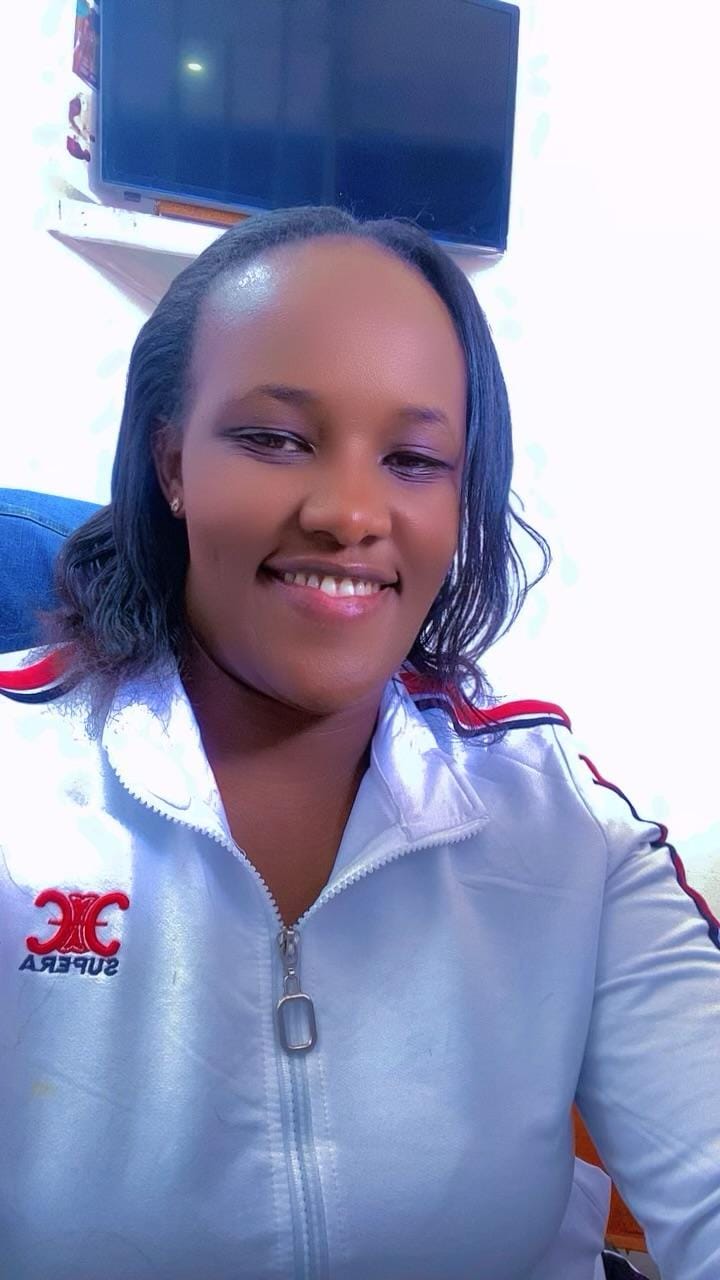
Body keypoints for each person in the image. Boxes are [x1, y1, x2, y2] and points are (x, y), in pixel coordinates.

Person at [0, 204, 716, 1280]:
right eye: (275, 438)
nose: (349, 511)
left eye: (415, 458)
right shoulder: (20, 793)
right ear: (172, 463)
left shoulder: (566, 825)